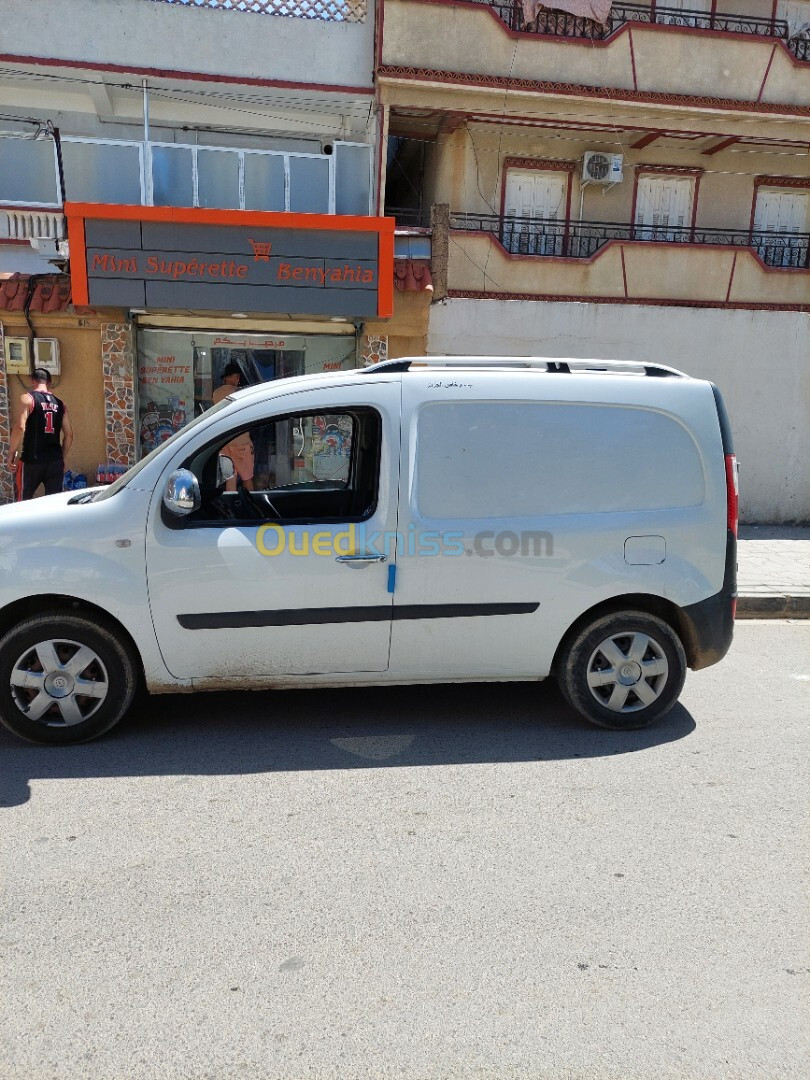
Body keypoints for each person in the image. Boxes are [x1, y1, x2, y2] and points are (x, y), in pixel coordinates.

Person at [7, 367, 73, 500]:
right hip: (54, 461)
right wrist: (61, 456)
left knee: (23, 502)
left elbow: (20, 427)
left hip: (32, 460)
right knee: (54, 504)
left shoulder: (28, 399)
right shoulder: (61, 404)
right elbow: (69, 435)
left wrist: (11, 454)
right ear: (49, 382)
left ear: (32, 381)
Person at [212, 362, 253, 492]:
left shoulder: (216, 393)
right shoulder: (241, 393)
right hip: (241, 442)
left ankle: (232, 507)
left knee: (230, 478)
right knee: (247, 478)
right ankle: (254, 506)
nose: (238, 380)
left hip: (224, 441)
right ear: (234, 377)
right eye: (237, 377)